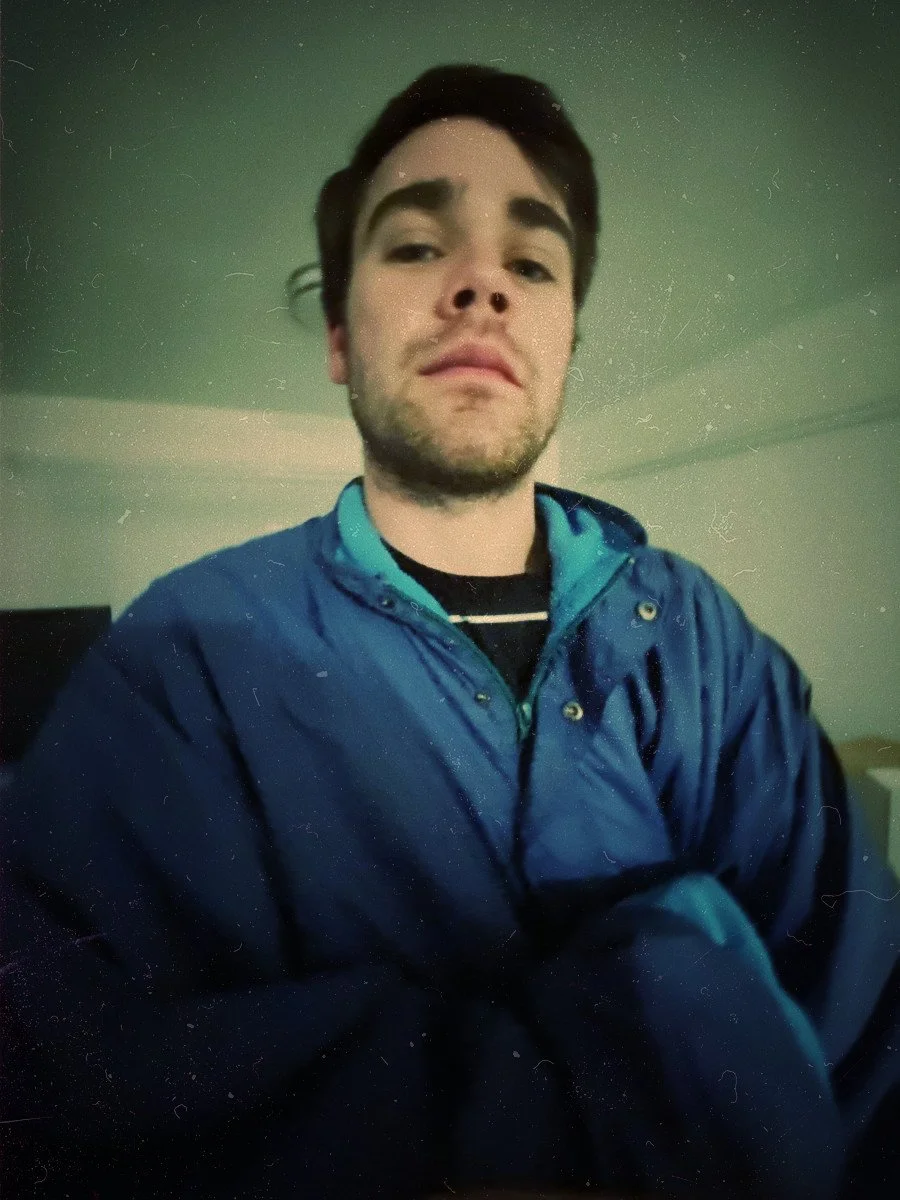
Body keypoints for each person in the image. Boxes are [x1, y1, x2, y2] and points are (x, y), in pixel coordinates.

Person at [1, 63, 897, 1200]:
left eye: (532, 260)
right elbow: (65, 1098)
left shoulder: (708, 644)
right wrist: (664, 1011)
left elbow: (865, 1055)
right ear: (338, 335)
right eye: (418, 246)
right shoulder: (180, 662)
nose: (482, 284)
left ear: (567, 341)